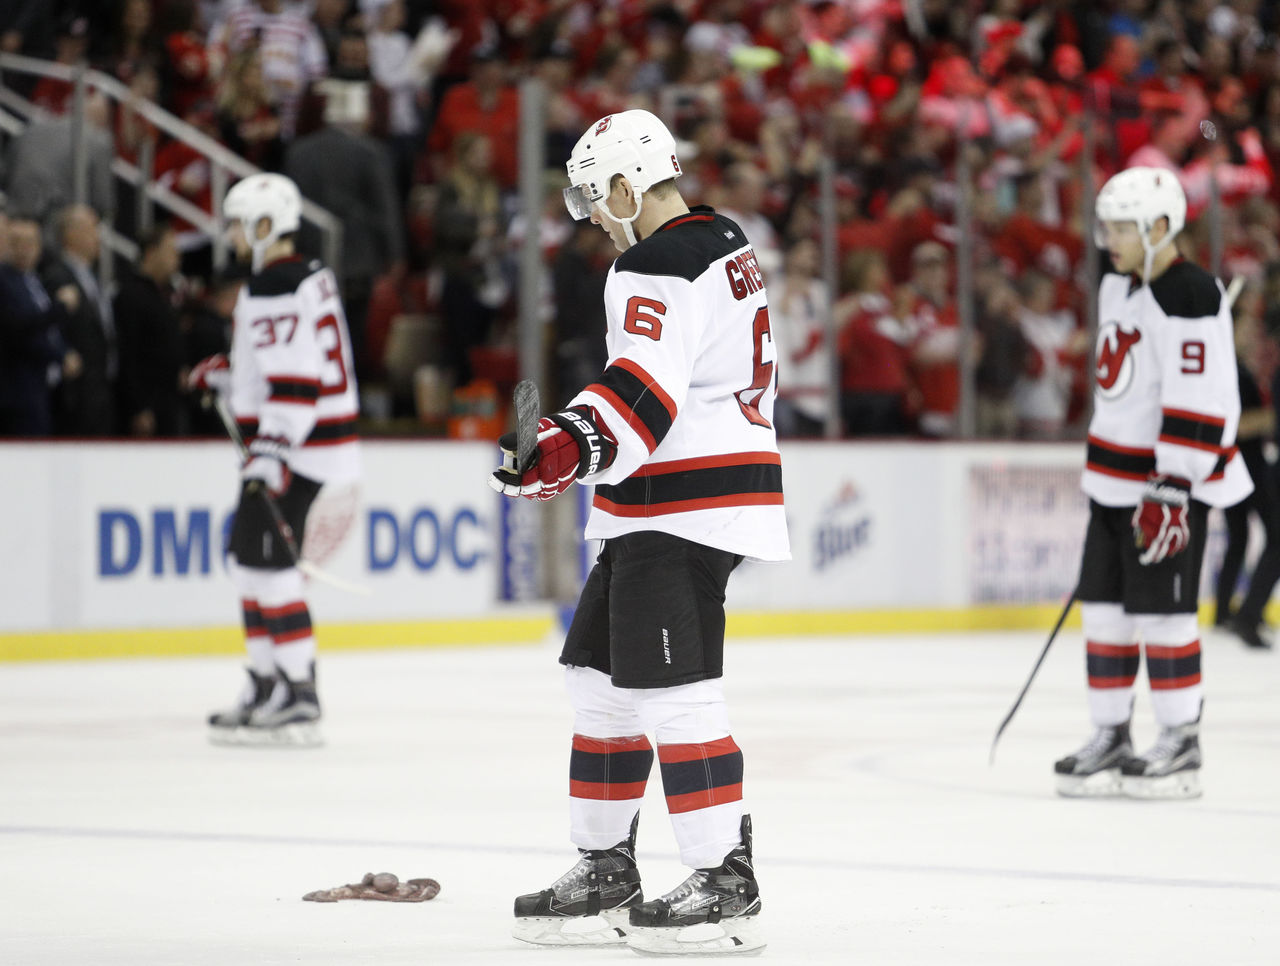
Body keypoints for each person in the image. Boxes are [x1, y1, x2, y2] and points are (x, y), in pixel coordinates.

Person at [489, 109, 788, 955]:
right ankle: (606, 868)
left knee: (672, 692)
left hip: (680, 505)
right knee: (599, 681)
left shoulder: (653, 262)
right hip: (670, 500)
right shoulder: (720, 237)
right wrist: (575, 439)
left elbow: (645, 395)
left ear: (626, 185)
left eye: (594, 198)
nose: (593, 217)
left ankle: (725, 881)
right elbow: (661, 381)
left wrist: (564, 447)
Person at [1055, 167, 1250, 801]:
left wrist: (1174, 485)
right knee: (1106, 614)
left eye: (1121, 228)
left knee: (1164, 617)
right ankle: (1112, 733)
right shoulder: (1118, 283)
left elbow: (1203, 396)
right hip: (1110, 486)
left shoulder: (1190, 293)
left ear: (1160, 227)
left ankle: (1180, 739)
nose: (1108, 240)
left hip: (1161, 491)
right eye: (1106, 227)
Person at [192, 173, 360, 747]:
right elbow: (294, 360)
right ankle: (266, 684)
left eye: (239, 225)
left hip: (298, 453)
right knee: (248, 565)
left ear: (265, 226)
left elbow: (295, 381)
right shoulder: (309, 274)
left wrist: (271, 451)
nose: (232, 236)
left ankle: (298, 694)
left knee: (270, 571)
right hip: (314, 446)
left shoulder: (270, 287)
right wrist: (233, 373)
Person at [42, 204, 117, 436]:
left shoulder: (92, 278)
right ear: (71, 235)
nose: (98, 237)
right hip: (74, 394)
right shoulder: (56, 276)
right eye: (92, 228)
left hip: (99, 391)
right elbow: (50, 329)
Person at [114, 223, 187, 437]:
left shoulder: (163, 295)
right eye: (171, 250)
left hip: (169, 402)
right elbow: (127, 354)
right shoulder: (130, 295)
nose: (177, 257)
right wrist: (138, 407)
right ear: (151, 252)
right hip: (148, 407)